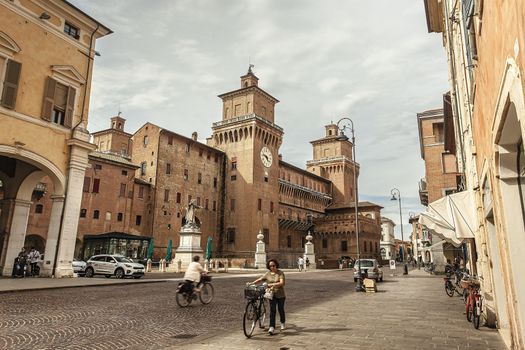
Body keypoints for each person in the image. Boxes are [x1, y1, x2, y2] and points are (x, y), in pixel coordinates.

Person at [250, 259, 286, 335]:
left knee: (281, 310)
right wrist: (252, 283)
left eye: (273, 265)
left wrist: (270, 285)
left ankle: (282, 322)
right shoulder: (268, 274)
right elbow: (260, 279)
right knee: (272, 311)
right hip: (271, 295)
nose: (272, 267)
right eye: (270, 266)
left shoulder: (280, 273)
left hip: (280, 295)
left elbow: (282, 283)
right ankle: (271, 327)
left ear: (276, 265)